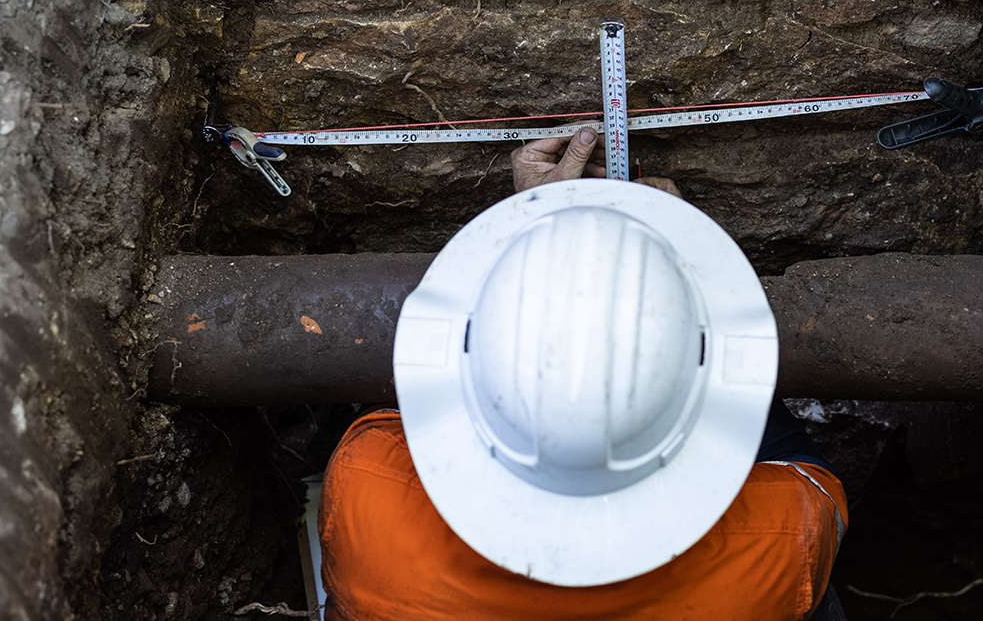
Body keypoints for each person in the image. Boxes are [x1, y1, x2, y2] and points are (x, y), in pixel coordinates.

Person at [318, 126, 848, 620]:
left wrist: (526, 234)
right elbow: (802, 470)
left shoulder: (366, 485)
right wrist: (690, 286)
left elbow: (423, 391)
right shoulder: (782, 533)